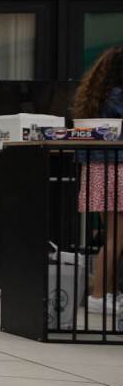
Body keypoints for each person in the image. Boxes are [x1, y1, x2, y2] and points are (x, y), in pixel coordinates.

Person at [72, 47, 123, 313]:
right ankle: (100, 295)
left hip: (98, 170)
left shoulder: (95, 97)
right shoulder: (117, 98)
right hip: (116, 169)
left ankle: (107, 293)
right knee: (116, 237)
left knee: (112, 236)